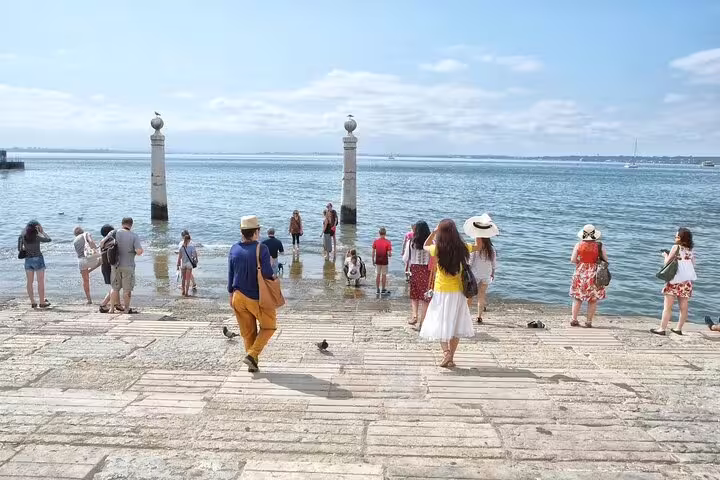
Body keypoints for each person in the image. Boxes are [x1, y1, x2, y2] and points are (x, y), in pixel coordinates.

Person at [419, 219, 475, 368]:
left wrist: (433, 232)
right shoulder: (463, 248)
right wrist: (479, 232)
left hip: (441, 292)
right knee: (456, 324)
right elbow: (479, 246)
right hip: (458, 293)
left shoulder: (437, 248)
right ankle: (451, 357)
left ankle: (446, 354)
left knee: (440, 323)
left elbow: (424, 245)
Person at [228, 215, 276, 373]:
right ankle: (252, 355)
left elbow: (230, 274)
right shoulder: (261, 248)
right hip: (256, 297)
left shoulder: (234, 248)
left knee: (248, 332)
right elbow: (268, 273)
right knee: (269, 327)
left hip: (237, 296)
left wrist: (230, 295)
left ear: (242, 232)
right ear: (256, 232)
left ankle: (253, 364)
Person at [651, 228, 697, 336]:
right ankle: (678, 328)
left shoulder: (675, 247)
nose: (675, 238)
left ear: (681, 238)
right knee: (684, 307)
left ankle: (662, 329)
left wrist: (665, 255)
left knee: (667, 307)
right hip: (686, 282)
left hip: (674, 281)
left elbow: (667, 263)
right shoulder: (690, 250)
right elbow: (693, 265)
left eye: (677, 236)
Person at [570, 224, 608, 328]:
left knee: (577, 297)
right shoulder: (599, 246)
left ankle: (574, 319)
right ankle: (588, 322)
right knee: (593, 299)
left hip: (580, 273)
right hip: (594, 274)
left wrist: (581, 262)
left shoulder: (578, 245)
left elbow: (573, 260)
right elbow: (606, 259)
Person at [463, 214, 499, 323]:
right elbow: (493, 263)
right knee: (481, 296)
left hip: (475, 274)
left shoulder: (476, 248)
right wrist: (493, 273)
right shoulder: (491, 249)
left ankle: (466, 315)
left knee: (469, 296)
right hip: (486, 274)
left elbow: (470, 261)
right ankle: (479, 316)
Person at [110, 217, 143, 314]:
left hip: (115, 265)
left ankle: (111, 309)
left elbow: (103, 243)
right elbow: (139, 251)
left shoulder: (114, 233)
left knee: (114, 288)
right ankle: (126, 309)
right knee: (127, 289)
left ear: (122, 223)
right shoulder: (134, 236)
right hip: (128, 266)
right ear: (131, 225)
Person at [17, 220, 51, 308]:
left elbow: (19, 249)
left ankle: (33, 302)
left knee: (29, 282)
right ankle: (42, 302)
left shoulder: (22, 237)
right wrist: (42, 232)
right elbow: (48, 239)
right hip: (38, 259)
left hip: (28, 260)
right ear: (36, 228)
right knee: (40, 282)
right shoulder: (37, 237)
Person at [405, 221, 431, 328]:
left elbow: (406, 258)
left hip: (415, 269)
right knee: (425, 296)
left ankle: (414, 316)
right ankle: (422, 321)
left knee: (414, 294)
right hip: (427, 270)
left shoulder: (411, 242)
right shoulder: (431, 243)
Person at [72, 226, 102, 304]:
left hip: (81, 261)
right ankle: (90, 270)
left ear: (75, 234)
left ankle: (89, 300)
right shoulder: (86, 234)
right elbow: (91, 242)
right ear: (82, 231)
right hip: (90, 259)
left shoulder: (75, 240)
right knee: (102, 260)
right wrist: (95, 248)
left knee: (85, 281)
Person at [98, 224, 120, 313]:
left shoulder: (102, 242)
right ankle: (103, 304)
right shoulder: (111, 242)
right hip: (110, 267)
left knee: (115, 286)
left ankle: (118, 305)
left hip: (105, 267)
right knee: (115, 287)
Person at [372, 227, 392, 295]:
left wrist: (373, 260)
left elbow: (373, 252)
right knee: (384, 275)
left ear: (379, 233)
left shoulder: (376, 241)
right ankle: (383, 289)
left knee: (378, 274)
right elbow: (389, 254)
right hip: (384, 261)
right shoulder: (388, 242)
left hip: (377, 260)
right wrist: (390, 254)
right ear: (385, 234)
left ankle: (377, 289)